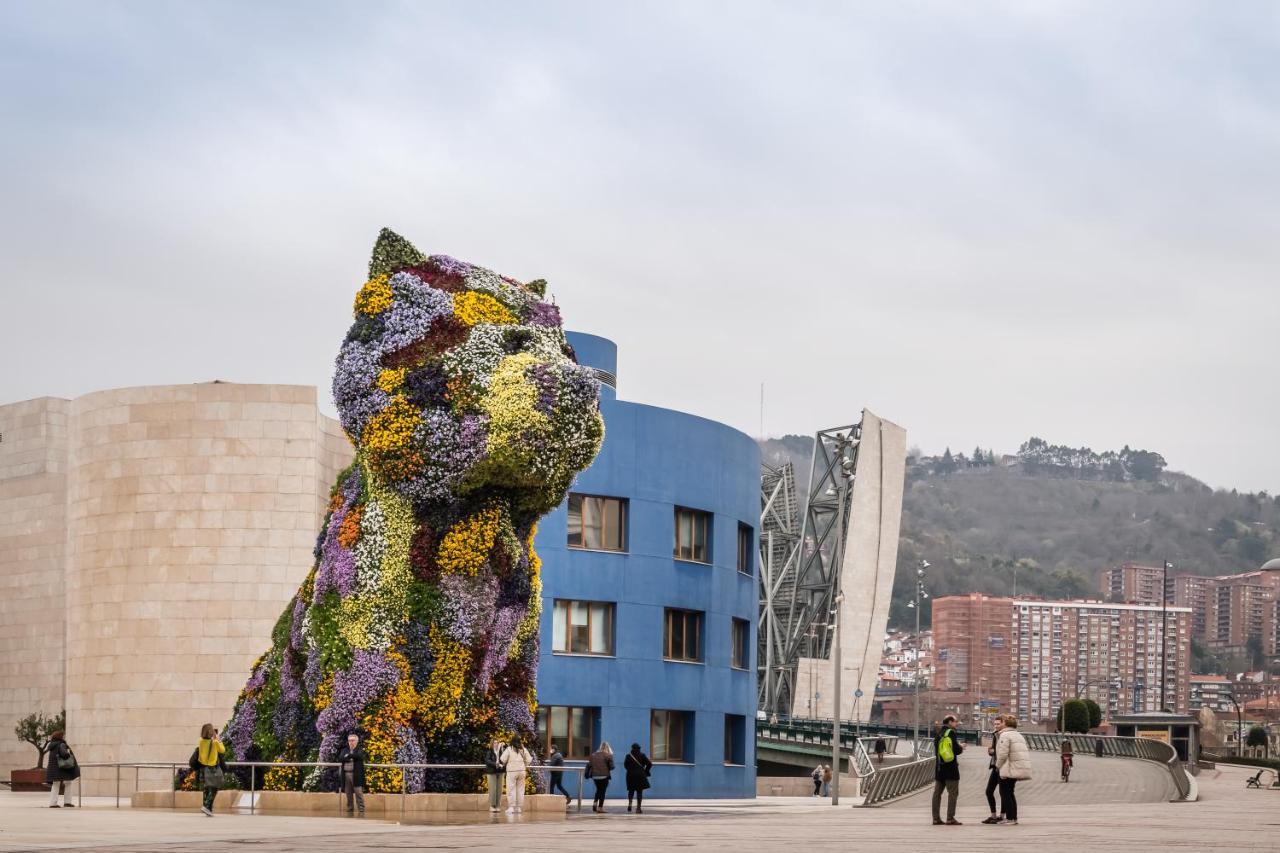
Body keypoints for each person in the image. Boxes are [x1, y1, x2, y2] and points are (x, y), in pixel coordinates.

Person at [994, 714, 1032, 826]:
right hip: (1016, 767)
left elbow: (1003, 754)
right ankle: (1013, 817)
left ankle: (1010, 818)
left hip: (1008, 768)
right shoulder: (1018, 735)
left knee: (1005, 793)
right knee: (1010, 793)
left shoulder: (1005, 735)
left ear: (1006, 723)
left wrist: (998, 765)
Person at [931, 714, 964, 826]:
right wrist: (961, 747)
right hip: (951, 768)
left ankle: (936, 818)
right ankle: (950, 818)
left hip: (939, 768)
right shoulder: (951, 733)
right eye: (955, 721)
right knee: (953, 793)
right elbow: (956, 750)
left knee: (937, 794)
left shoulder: (939, 733)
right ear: (950, 722)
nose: (957, 723)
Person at [194, 723, 227, 817]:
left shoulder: (200, 741)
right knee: (215, 787)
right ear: (211, 732)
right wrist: (219, 740)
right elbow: (223, 750)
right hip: (212, 768)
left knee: (206, 787)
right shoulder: (215, 742)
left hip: (203, 768)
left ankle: (207, 807)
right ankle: (207, 806)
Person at [982, 715, 1006, 823]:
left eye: (998, 724)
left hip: (1004, 767)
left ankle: (1002, 815)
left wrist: (994, 752)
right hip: (995, 766)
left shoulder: (1004, 735)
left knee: (1003, 792)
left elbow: (1003, 751)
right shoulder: (995, 735)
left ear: (1003, 723)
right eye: (995, 724)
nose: (996, 726)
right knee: (989, 791)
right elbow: (995, 750)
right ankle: (993, 815)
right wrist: (990, 752)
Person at [45, 730, 79, 808]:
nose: (64, 737)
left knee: (55, 784)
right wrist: (68, 754)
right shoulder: (61, 744)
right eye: (63, 735)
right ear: (60, 737)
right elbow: (64, 754)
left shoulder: (52, 745)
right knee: (68, 783)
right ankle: (67, 802)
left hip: (54, 768)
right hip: (63, 767)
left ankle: (53, 803)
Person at [500, 737, 534, 815]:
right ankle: (518, 807)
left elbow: (502, 759)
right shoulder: (523, 749)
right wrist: (523, 764)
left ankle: (511, 807)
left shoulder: (509, 749)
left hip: (512, 771)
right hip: (522, 771)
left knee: (511, 789)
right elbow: (529, 760)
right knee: (520, 789)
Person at [337, 732, 366, 815]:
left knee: (358, 793)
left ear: (356, 741)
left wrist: (348, 756)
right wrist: (350, 756)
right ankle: (350, 809)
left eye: (353, 740)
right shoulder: (345, 750)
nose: (351, 742)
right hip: (346, 774)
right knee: (348, 793)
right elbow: (341, 758)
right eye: (349, 740)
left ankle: (361, 810)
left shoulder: (359, 749)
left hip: (356, 775)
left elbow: (359, 756)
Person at [624, 743, 652, 814]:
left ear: (632, 748)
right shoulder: (642, 755)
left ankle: (630, 803)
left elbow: (625, 765)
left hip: (630, 775)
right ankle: (638, 808)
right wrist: (646, 770)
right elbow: (649, 764)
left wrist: (630, 769)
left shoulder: (628, 756)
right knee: (639, 791)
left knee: (631, 790)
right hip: (640, 775)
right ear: (639, 748)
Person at [587, 741, 614, 813]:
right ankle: (600, 808)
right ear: (607, 748)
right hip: (604, 776)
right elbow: (612, 767)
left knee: (598, 790)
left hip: (595, 776)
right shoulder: (608, 755)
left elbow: (589, 765)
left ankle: (595, 803)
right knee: (602, 791)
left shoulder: (593, 755)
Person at [483, 737, 506, 813]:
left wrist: (501, 749)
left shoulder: (501, 752)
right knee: (493, 789)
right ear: (492, 744)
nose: (496, 744)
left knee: (499, 789)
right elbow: (487, 761)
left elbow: (504, 759)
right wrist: (495, 764)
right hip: (492, 772)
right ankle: (492, 806)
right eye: (494, 743)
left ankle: (498, 805)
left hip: (500, 772)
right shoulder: (489, 752)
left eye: (497, 743)